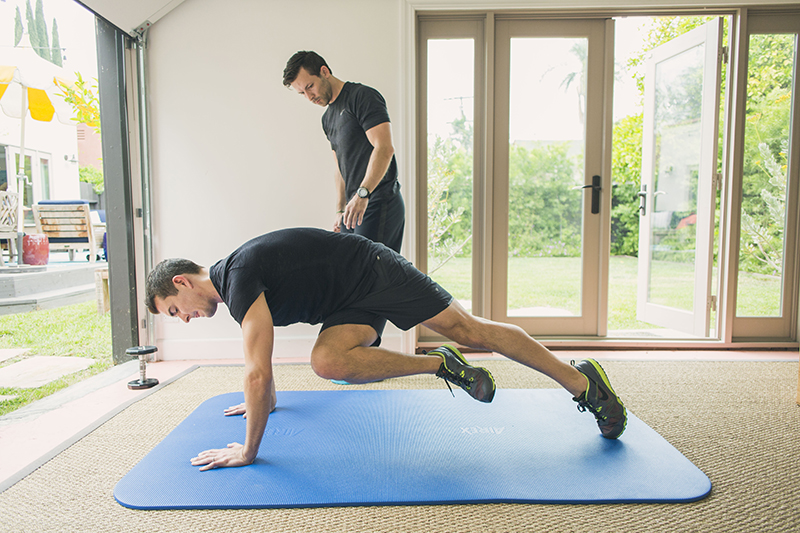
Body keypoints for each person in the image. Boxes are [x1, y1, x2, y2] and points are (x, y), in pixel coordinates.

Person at [146, 228, 627, 471]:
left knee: (468, 329)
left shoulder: (237, 275)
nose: (183, 319)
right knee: (327, 362)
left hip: (373, 270)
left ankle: (584, 383)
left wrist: (249, 451)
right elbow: (260, 371)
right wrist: (266, 403)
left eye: (174, 310)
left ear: (182, 282)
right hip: (347, 300)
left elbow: (255, 371)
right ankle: (441, 366)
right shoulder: (236, 287)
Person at [282, 51, 405, 254]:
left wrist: (362, 194)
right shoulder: (327, 119)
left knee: (375, 279)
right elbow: (340, 166)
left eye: (310, 86)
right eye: (302, 93)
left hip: (378, 201)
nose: (309, 97)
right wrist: (340, 208)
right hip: (354, 207)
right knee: (351, 276)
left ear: (324, 71)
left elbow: (384, 148)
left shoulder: (362, 97)